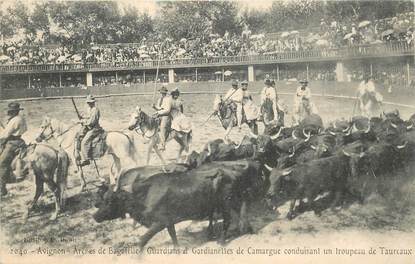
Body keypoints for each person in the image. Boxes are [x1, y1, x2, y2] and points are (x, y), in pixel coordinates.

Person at [0, 102, 27, 196]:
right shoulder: (20, 118)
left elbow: (5, 135)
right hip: (19, 140)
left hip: (12, 143)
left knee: (2, 163)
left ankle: (2, 189)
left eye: (11, 111)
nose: (9, 113)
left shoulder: (14, 120)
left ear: (14, 111)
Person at [76, 95, 102, 166]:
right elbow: (88, 116)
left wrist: (82, 121)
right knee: (78, 135)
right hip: (89, 127)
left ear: (93, 102)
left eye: (90, 102)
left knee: (84, 142)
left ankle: (86, 160)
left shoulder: (95, 110)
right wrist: (82, 117)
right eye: (88, 102)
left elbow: (92, 121)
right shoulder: (89, 109)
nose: (89, 104)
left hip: (95, 128)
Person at [153, 86, 172, 151]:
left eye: (162, 92)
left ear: (165, 93)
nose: (161, 93)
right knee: (151, 124)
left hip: (166, 116)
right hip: (160, 115)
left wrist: (159, 113)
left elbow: (167, 110)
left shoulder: (168, 99)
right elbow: (159, 108)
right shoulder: (160, 99)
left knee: (162, 128)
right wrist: (154, 107)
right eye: (160, 92)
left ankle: (163, 145)